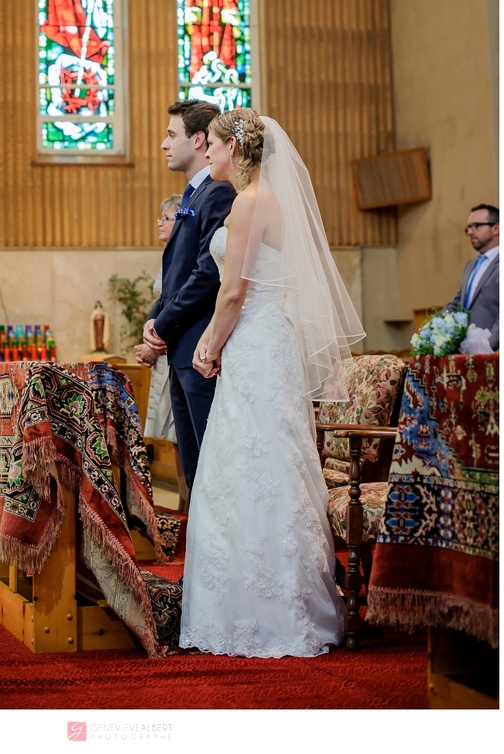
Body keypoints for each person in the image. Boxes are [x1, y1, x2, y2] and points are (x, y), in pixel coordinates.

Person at [179, 109, 364, 658]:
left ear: (234, 148)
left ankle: (255, 613)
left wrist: (207, 346)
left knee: (246, 463)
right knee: (276, 462)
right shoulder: (271, 201)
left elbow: (232, 293)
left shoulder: (250, 201)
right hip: (269, 341)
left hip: (256, 342)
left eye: (211, 144)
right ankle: (292, 603)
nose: (206, 153)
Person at [142, 101, 236, 490]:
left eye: (171, 134)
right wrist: (154, 317)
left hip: (200, 347)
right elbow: (177, 272)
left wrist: (162, 326)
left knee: (211, 460)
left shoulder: (216, 194)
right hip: (183, 346)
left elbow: (206, 274)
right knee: (194, 462)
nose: (164, 144)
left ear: (198, 140)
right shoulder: (191, 197)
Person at [136, 195, 182, 443]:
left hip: (173, 345)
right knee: (173, 435)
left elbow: (177, 303)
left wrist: (154, 344)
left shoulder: (182, 256)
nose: (159, 222)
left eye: (166, 218)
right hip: (163, 344)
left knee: (180, 433)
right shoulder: (169, 254)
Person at [443, 204, 499, 351]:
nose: (469, 232)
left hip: (490, 352)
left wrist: (487, 349)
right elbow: (457, 304)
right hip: (465, 351)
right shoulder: (471, 265)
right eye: (468, 228)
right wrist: (432, 327)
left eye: (476, 226)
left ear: (496, 228)